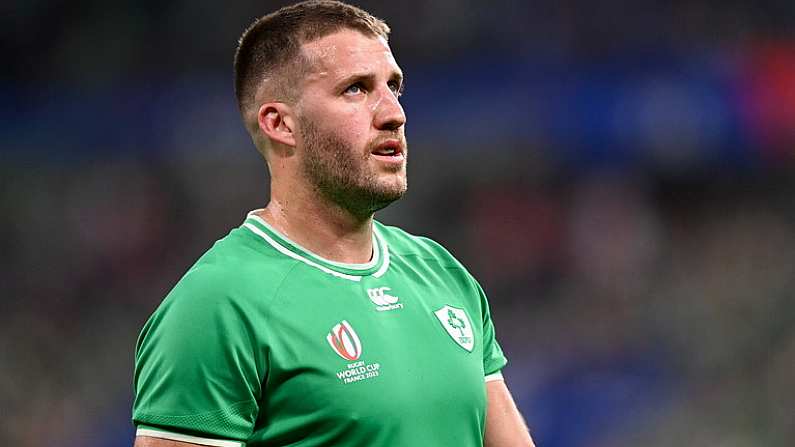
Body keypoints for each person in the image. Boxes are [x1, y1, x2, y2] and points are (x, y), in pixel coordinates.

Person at [132, 1, 535, 446]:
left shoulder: (441, 273)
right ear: (280, 123)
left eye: (394, 87)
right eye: (356, 89)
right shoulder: (217, 307)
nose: (394, 113)